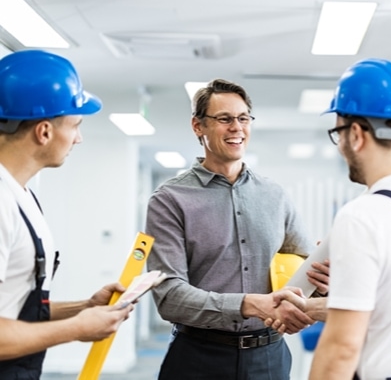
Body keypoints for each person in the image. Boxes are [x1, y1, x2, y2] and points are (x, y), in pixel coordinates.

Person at [269, 58, 391, 380]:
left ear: (356, 134)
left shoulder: (362, 216)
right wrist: (313, 307)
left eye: (338, 133)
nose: (341, 145)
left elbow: (341, 349)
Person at [145, 78, 329, 380]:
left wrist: (322, 280)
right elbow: (170, 297)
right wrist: (249, 304)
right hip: (198, 357)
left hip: (268, 357)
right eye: (224, 119)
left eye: (243, 118)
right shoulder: (170, 199)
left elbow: (305, 269)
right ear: (198, 126)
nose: (237, 127)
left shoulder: (274, 195)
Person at [0, 49, 134, 379]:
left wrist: (84, 308)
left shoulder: (22, 194)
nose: (79, 138)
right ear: (44, 131)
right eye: (75, 124)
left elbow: (15, 310)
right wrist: (76, 328)